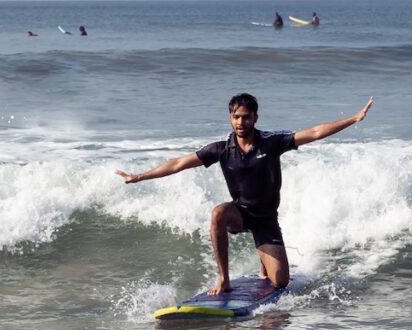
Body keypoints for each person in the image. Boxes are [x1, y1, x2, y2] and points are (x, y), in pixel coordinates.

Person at [116, 93, 374, 295]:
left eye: (246, 117)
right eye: (236, 117)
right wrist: (140, 176)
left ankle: (264, 260)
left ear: (255, 118)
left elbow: (315, 133)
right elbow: (178, 163)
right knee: (218, 213)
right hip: (240, 214)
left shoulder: (271, 142)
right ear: (230, 118)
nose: (241, 122)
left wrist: (353, 118)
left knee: (281, 282)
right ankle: (224, 280)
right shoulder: (221, 149)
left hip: (265, 219)